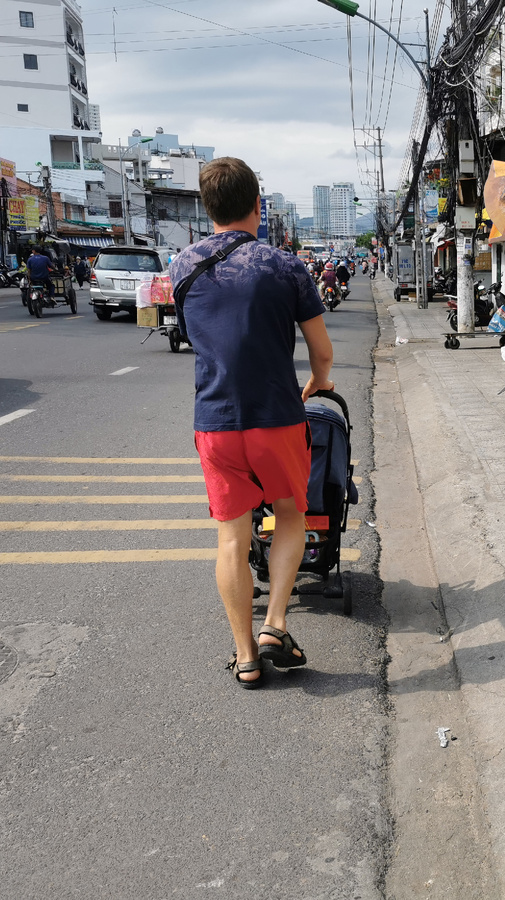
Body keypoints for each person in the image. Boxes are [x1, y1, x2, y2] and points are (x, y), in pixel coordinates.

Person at [170, 156, 334, 689]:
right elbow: (322, 353)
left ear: (206, 207)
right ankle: (275, 624)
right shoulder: (286, 266)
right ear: (257, 207)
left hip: (215, 420)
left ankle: (244, 657)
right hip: (277, 417)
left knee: (229, 541)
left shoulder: (180, 266)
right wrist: (316, 384)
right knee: (290, 515)